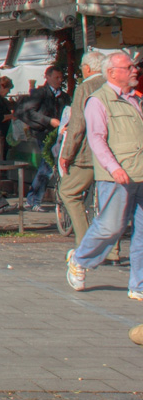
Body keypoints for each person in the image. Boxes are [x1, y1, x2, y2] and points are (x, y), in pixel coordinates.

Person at [65, 51, 143, 296]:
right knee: (111, 227)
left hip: (140, 171)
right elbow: (96, 139)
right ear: (112, 73)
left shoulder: (135, 99)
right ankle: (80, 259)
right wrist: (114, 167)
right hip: (117, 175)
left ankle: (138, 285)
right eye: (129, 67)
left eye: (134, 67)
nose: (135, 71)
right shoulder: (99, 100)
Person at [58, 52, 109, 245]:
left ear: (87, 68)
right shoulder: (111, 86)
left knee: (68, 191)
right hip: (112, 153)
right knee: (108, 200)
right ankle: (112, 250)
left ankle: (86, 242)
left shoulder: (86, 88)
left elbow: (78, 124)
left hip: (89, 153)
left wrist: (66, 154)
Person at [17, 64, 70, 211]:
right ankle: (33, 199)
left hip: (59, 132)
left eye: (61, 78)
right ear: (47, 77)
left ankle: (34, 199)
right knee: (47, 164)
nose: (59, 80)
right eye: (56, 77)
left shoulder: (63, 96)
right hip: (44, 132)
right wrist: (48, 121)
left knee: (50, 165)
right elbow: (29, 112)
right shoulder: (40, 93)